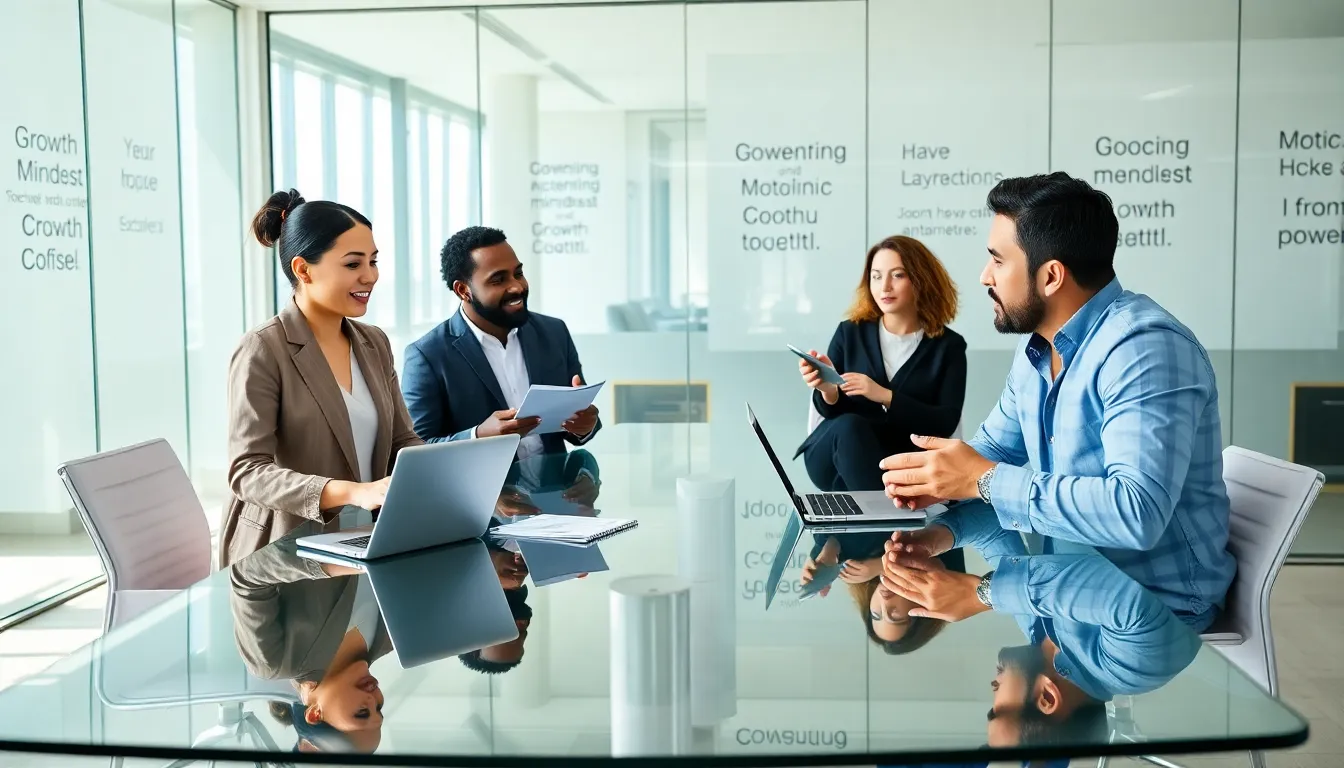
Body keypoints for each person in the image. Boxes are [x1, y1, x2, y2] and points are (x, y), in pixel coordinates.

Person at [878, 172, 1235, 630]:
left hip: (1151, 618)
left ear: (1050, 276)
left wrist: (985, 587)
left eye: (998, 260)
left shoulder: (1144, 349)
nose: (985, 276)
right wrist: (940, 530)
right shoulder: (1036, 353)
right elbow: (985, 466)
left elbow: (1135, 513)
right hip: (1070, 592)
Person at [221, 189, 423, 568]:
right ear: (303, 269)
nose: (370, 276)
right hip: (286, 552)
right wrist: (352, 492)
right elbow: (247, 472)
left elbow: (401, 439)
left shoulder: (373, 342)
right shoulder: (263, 349)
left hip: (367, 541)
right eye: (352, 264)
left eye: (374, 261)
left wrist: (455, 474)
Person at [401, 226, 600, 459]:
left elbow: (581, 422)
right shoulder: (427, 355)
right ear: (463, 290)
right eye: (498, 280)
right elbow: (416, 449)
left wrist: (585, 425)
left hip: (554, 487)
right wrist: (477, 436)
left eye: (518, 273)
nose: (516, 286)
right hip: (482, 492)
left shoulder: (553, 332)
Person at [796, 235, 966, 492]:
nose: (884, 286)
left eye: (897, 275)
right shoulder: (849, 333)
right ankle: (888, 513)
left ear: (921, 280)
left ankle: (881, 513)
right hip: (833, 456)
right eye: (876, 276)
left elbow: (945, 423)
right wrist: (827, 389)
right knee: (849, 426)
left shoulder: (949, 347)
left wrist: (885, 396)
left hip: (900, 463)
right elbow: (831, 413)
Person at [798, 530, 965, 655]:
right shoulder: (948, 580)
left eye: (876, 615)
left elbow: (835, 516)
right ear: (923, 611)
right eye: (896, 616)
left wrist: (823, 554)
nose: (885, 605)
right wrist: (882, 565)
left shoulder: (860, 571)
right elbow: (926, 531)